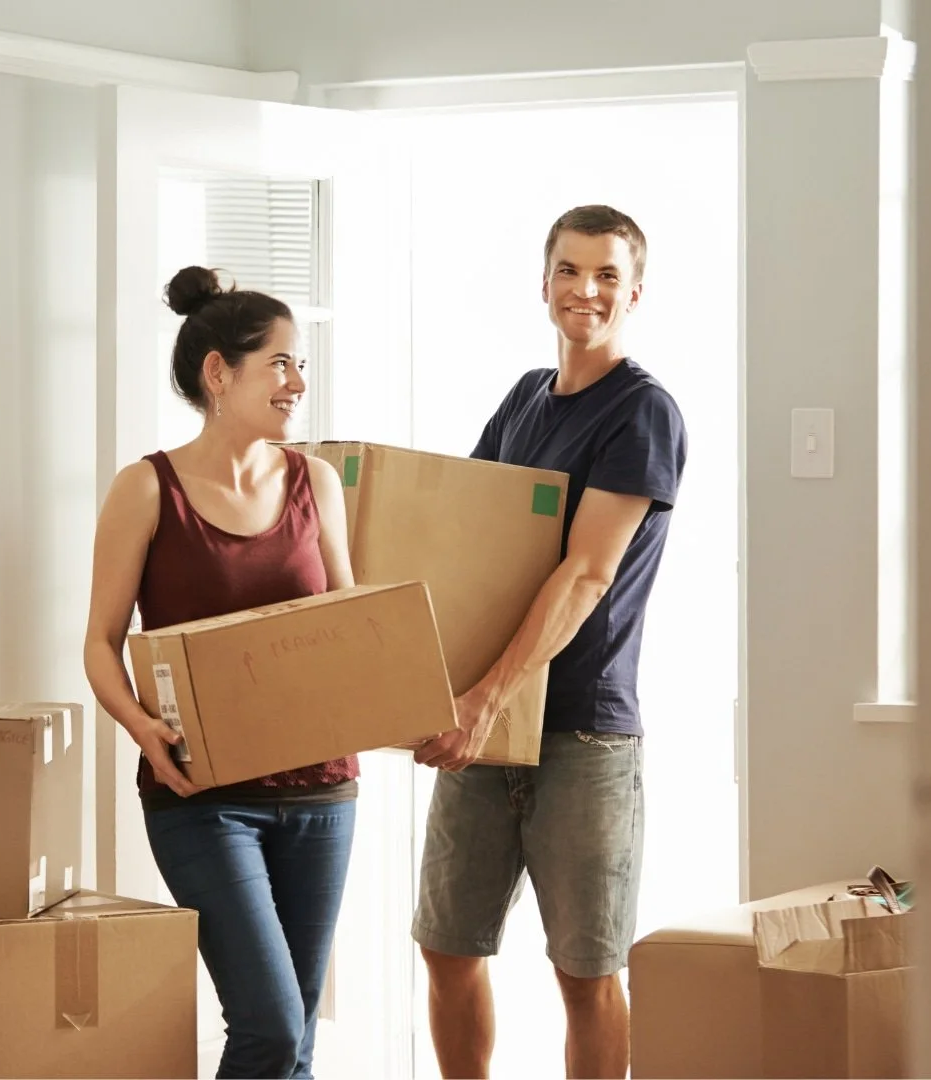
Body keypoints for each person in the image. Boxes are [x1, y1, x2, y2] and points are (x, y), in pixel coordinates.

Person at [411, 205, 688, 1079]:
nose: (587, 290)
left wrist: (485, 697)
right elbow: (472, 547)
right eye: (571, 271)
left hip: (581, 731)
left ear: (634, 292)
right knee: (449, 949)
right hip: (484, 724)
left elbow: (584, 576)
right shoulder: (525, 398)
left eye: (608, 275)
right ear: (544, 285)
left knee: (585, 971)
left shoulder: (642, 412)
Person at [82, 266, 358, 1080]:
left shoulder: (318, 483)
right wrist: (141, 727)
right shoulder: (146, 490)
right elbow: (100, 642)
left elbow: (347, 629)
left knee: (296, 1033)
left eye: (299, 363)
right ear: (218, 373)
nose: (298, 382)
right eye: (280, 363)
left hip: (321, 794)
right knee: (270, 1024)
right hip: (202, 799)